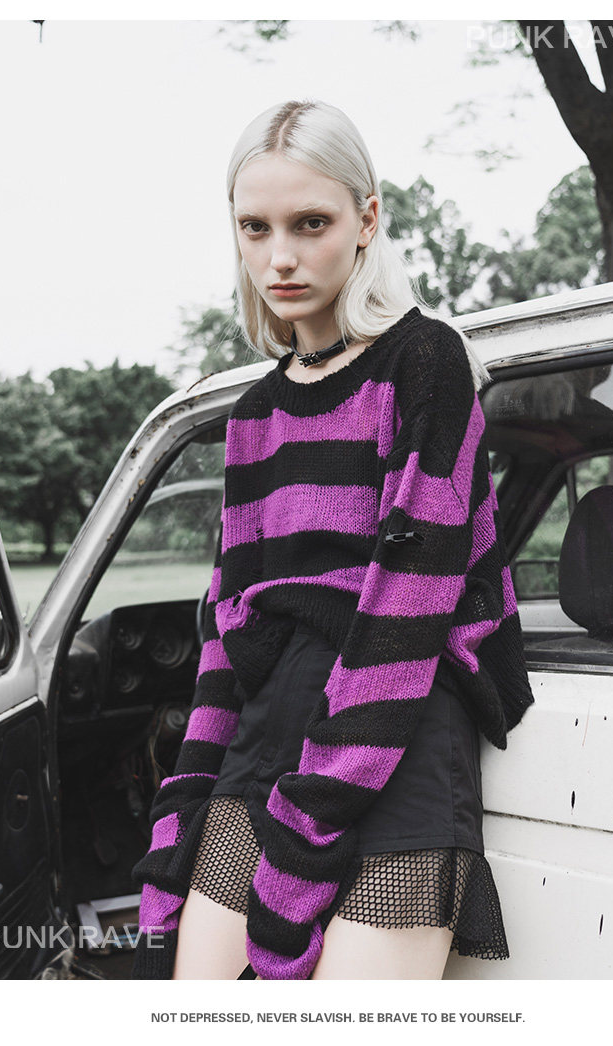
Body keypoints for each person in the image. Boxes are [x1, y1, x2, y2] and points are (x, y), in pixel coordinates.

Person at [130, 98, 535, 981]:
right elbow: (228, 630)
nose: (280, 256)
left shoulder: (423, 362)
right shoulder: (253, 415)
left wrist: (310, 820)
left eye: (310, 223)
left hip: (398, 735)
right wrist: (187, 796)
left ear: (367, 219)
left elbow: (409, 604)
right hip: (266, 741)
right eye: (256, 227)